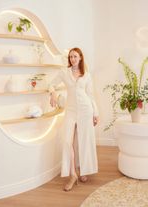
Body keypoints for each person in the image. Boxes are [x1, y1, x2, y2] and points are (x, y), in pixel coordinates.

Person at [48, 47, 99, 191]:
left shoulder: (87, 75)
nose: (72, 59)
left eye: (75, 56)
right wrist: (52, 94)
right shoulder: (64, 73)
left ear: (81, 57)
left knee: (83, 141)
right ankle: (72, 175)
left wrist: (96, 113)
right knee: (67, 141)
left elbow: (91, 95)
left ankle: (83, 171)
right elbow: (51, 84)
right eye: (70, 57)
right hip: (70, 110)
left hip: (85, 110)